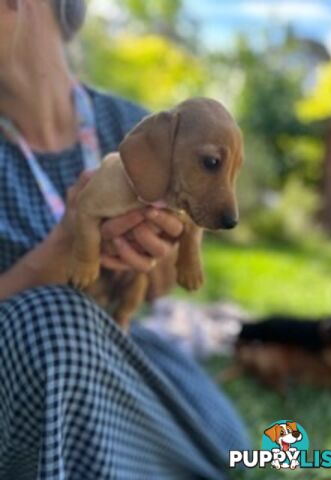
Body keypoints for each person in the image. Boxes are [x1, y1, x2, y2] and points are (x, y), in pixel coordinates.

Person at [0, 1, 250, 479]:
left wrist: (155, 266)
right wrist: (52, 260)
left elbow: (160, 285)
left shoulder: (141, 127)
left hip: (118, 344)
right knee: (51, 327)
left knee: (229, 442)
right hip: (21, 378)